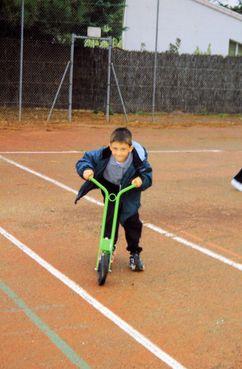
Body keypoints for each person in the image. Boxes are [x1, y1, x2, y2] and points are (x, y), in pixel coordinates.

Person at [75, 127, 152, 271]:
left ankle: (134, 253)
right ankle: (108, 248)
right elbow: (84, 160)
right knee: (110, 217)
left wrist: (141, 180)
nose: (118, 153)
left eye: (123, 149)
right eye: (115, 148)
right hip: (109, 186)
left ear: (130, 148)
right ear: (110, 147)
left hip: (129, 188)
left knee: (131, 220)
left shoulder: (138, 159)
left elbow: (147, 175)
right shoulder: (102, 154)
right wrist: (85, 169)